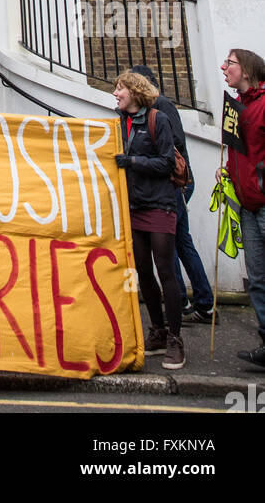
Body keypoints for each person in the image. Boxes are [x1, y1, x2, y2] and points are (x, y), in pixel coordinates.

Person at [130, 64, 215, 326]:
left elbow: (174, 144)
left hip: (174, 183)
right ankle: (199, 303)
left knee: (174, 242)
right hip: (170, 182)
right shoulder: (152, 107)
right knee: (179, 241)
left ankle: (190, 301)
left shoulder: (161, 106)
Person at [113, 68, 185, 370]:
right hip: (134, 205)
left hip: (160, 203)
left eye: (120, 89)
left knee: (165, 269)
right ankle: (156, 330)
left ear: (134, 92)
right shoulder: (119, 123)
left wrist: (133, 161)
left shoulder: (159, 120)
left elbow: (167, 162)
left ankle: (175, 340)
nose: (115, 93)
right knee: (143, 270)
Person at [221, 48, 265, 371]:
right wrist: (228, 171)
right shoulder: (235, 108)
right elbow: (237, 150)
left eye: (230, 63)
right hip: (247, 206)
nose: (224, 67)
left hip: (263, 201)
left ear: (247, 71)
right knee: (258, 279)